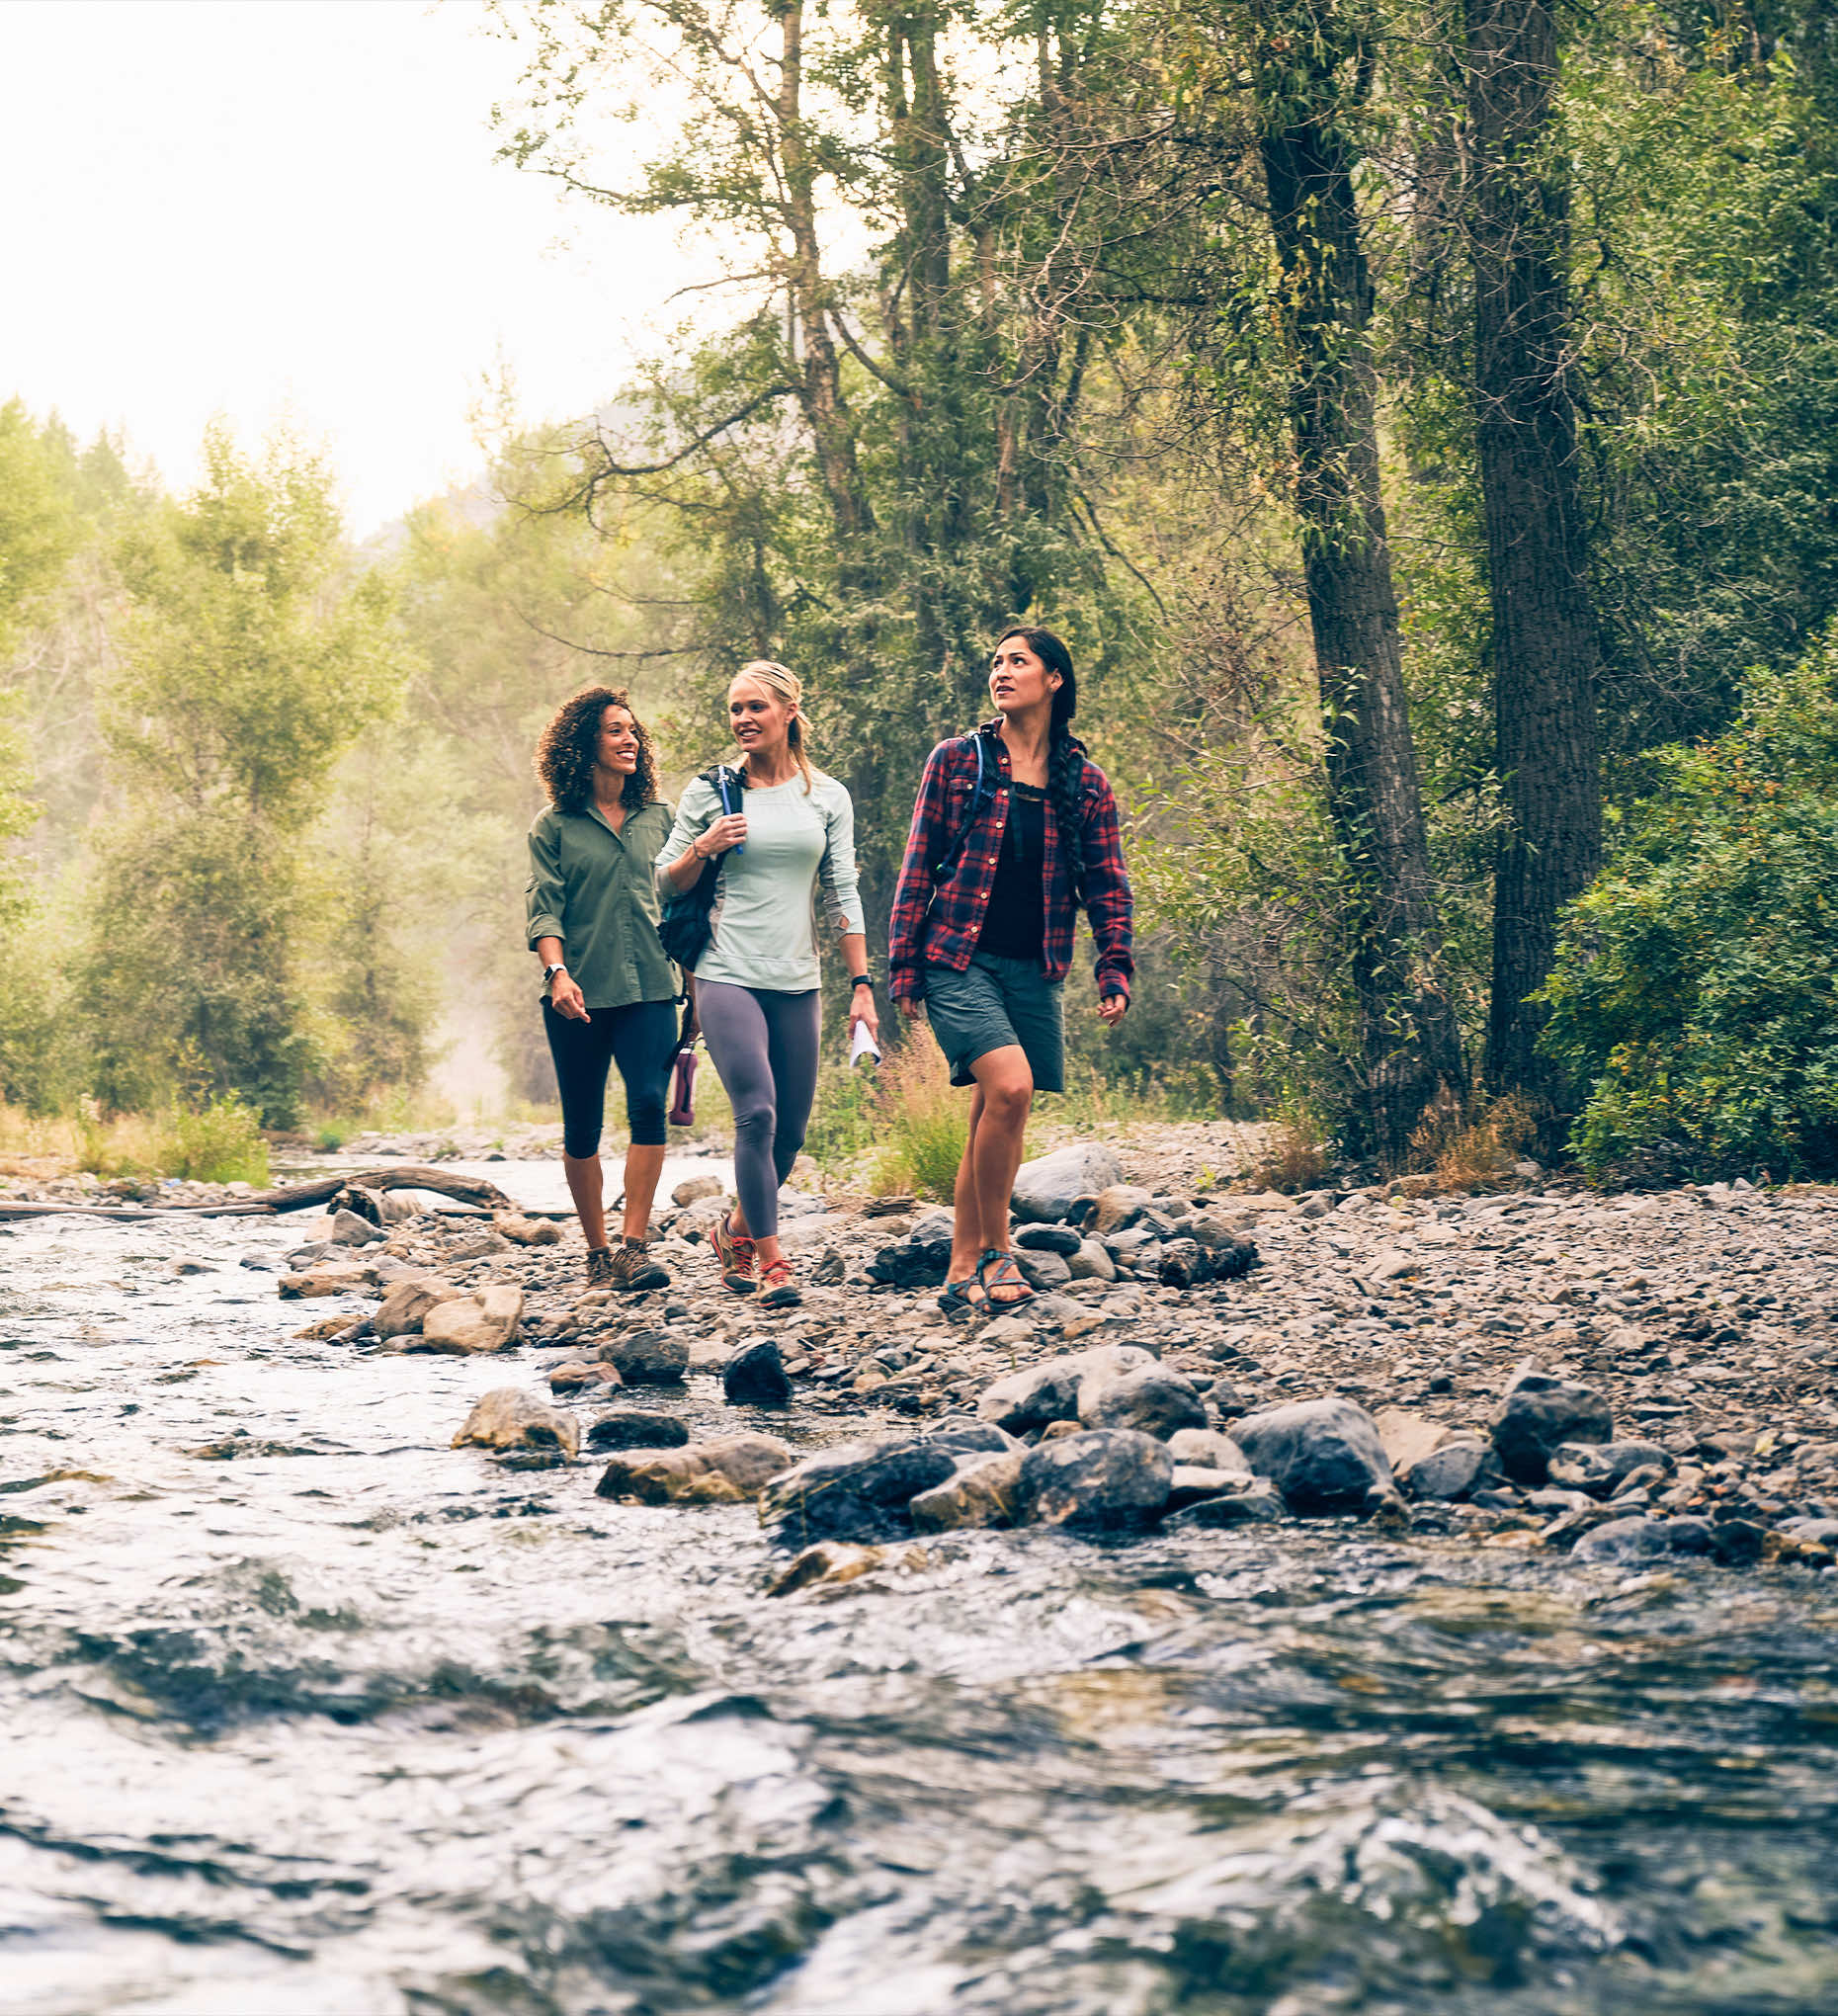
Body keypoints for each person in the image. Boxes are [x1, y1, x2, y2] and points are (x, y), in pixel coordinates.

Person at [888, 626, 1133, 1314]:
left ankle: (959, 1264)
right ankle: (997, 1251)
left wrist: (1113, 969)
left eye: (1017, 661)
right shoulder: (956, 761)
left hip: (1034, 967)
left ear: (1054, 679)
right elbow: (918, 863)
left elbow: (1107, 885)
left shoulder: (1085, 782)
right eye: (995, 662)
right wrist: (903, 963)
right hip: (955, 957)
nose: (1000, 671)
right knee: (1011, 1088)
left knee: (992, 1110)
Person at [657, 660, 876, 1309]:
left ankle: (734, 1232)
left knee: (791, 1133)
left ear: (789, 711)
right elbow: (663, 879)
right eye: (735, 708)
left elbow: (841, 892)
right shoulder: (712, 790)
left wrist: (862, 983)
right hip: (725, 969)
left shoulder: (827, 797)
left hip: (798, 976)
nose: (744, 719)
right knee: (757, 1112)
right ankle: (774, 1261)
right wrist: (704, 846)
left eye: (756, 706)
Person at [527, 686, 680, 1293]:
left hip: (653, 989)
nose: (629, 739)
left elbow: (685, 909)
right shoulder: (553, 827)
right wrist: (557, 973)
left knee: (648, 1104)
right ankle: (596, 1252)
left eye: (632, 730)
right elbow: (545, 908)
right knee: (582, 1123)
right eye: (615, 731)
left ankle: (633, 1247)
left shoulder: (662, 820)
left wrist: (696, 990)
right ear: (582, 746)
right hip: (577, 997)